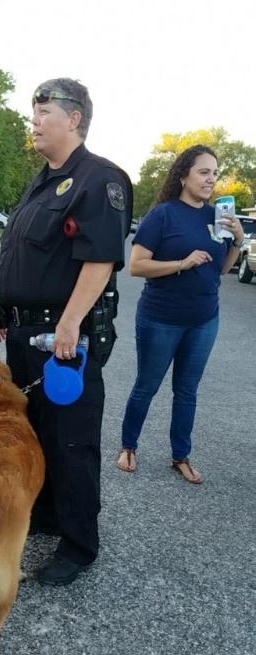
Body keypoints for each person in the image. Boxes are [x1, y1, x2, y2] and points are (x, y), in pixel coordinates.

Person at [0, 78, 133, 586]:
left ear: (74, 119)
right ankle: (49, 515)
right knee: (39, 432)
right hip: (26, 333)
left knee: (72, 441)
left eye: (43, 111)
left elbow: (99, 259)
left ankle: (79, 545)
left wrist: (71, 324)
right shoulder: (42, 181)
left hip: (64, 337)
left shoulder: (99, 180)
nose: (33, 120)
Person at [116, 145, 244, 483]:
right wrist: (182, 263)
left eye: (214, 173)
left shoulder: (216, 217)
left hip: (204, 319)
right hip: (161, 318)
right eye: (204, 172)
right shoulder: (163, 214)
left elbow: (220, 271)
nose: (211, 179)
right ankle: (129, 445)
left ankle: (180, 455)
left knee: (187, 390)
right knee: (147, 385)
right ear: (184, 175)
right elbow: (136, 266)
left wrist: (237, 241)